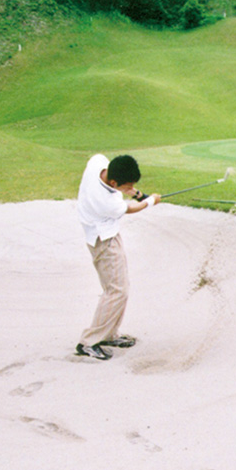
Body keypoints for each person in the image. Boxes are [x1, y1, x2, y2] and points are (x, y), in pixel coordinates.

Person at [75, 153, 160, 360]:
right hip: (104, 241)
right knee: (116, 291)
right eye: (126, 185)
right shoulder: (107, 203)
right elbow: (130, 208)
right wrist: (149, 201)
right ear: (113, 182)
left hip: (106, 235)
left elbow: (123, 186)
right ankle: (89, 342)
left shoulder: (98, 163)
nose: (129, 188)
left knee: (119, 289)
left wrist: (136, 192)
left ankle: (109, 334)